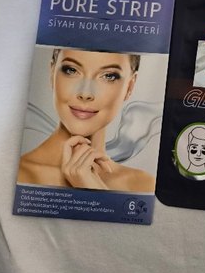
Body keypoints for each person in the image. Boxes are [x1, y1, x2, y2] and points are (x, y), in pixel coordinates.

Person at [17, 48, 154, 192]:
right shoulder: (18, 175)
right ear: (52, 73)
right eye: (71, 70)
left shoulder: (143, 185)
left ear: (130, 86)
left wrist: (94, 188)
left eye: (108, 76)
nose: (85, 93)